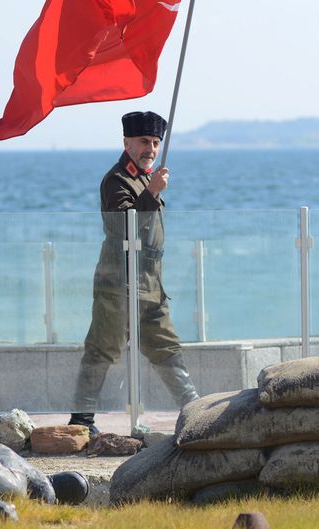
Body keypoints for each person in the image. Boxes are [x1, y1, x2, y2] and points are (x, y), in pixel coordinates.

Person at [70, 111, 199, 434]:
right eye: (144, 142)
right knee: (102, 349)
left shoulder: (145, 178)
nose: (151, 149)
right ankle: (81, 420)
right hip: (118, 283)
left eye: (156, 143)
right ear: (127, 142)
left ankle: (195, 411)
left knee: (167, 347)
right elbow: (124, 228)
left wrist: (151, 189)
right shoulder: (117, 180)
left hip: (150, 283)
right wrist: (152, 193)